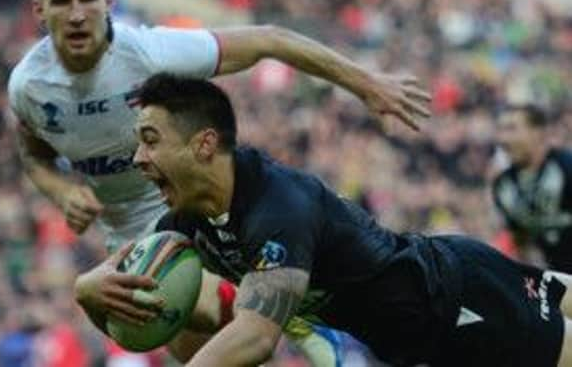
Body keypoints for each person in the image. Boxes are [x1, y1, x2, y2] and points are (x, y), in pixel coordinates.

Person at [7, 0, 430, 364]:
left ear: (108, 2)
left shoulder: (148, 53)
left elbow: (269, 39)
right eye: (62, 0)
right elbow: (34, 153)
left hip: (194, 198)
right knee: (194, 345)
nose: (77, 13)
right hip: (128, 229)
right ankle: (283, 312)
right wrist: (61, 191)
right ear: (39, 11)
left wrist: (366, 84)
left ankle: (296, 314)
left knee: (212, 320)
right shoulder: (28, 87)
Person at [90, 72, 572, 367]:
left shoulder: (278, 208)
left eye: (150, 139)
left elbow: (257, 337)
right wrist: (87, 289)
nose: (138, 157)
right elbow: (138, 287)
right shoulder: (191, 218)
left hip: (463, 308)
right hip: (442, 300)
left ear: (204, 144)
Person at [493, 104, 572, 273]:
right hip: (557, 284)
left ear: (538, 132)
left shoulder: (567, 168)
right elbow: (521, 241)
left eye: (512, 129)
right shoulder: (503, 186)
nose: (503, 139)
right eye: (501, 130)